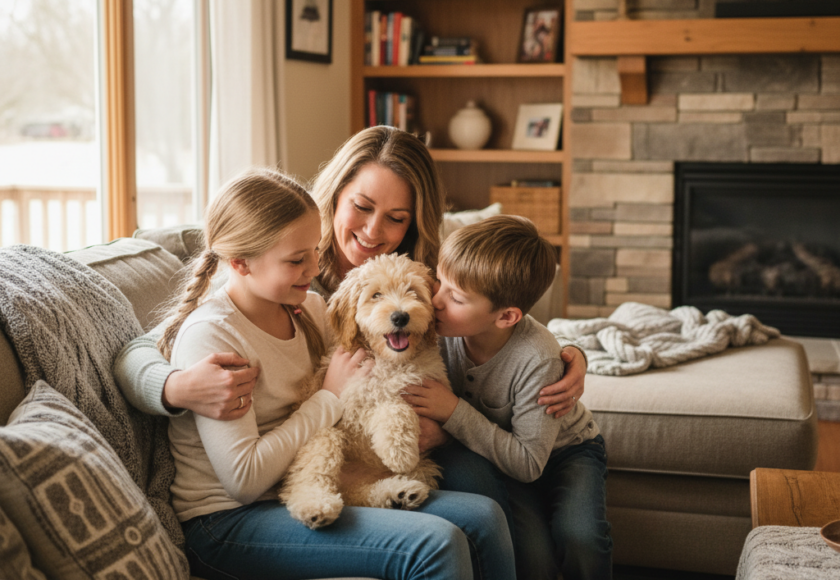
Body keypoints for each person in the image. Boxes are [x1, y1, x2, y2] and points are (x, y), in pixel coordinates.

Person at [157, 167, 515, 580]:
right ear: (240, 263)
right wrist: (327, 398)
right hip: (228, 521)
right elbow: (244, 481)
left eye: (314, 249)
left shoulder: (306, 308)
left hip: (313, 485)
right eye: (296, 259)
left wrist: (547, 351)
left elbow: (398, 342)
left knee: (484, 515)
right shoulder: (213, 336)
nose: (314, 268)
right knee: (435, 544)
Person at [402, 215, 612, 580]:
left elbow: (529, 463)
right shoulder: (439, 328)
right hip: (499, 456)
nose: (435, 301)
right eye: (439, 282)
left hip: (565, 453)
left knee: (581, 538)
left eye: (456, 297)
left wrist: (453, 411)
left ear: (507, 316)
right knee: (531, 557)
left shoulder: (537, 357)